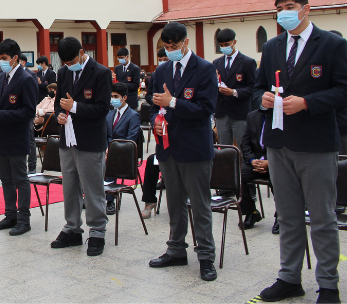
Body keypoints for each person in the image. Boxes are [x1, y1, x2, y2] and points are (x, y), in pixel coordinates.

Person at [255, 0, 347, 303]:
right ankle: (289, 277)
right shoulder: (272, 47)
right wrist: (264, 98)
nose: (283, 12)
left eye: (289, 6)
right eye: (279, 8)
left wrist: (307, 103)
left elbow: (346, 91)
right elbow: (258, 88)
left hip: (316, 144)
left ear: (305, 8)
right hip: (280, 142)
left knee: (323, 218)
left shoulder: (331, 44)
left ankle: (328, 284)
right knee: (288, 216)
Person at [148, 22, 219, 282]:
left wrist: (174, 103)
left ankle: (206, 256)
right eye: (166, 47)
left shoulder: (205, 68)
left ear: (186, 42)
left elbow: (206, 108)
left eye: (174, 46)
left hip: (195, 147)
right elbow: (155, 103)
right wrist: (157, 116)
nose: (170, 51)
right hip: (168, 146)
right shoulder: (163, 69)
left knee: (199, 205)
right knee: (174, 203)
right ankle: (176, 249)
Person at [51, 36, 112, 256]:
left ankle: (97, 231)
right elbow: (59, 102)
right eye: (65, 63)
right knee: (69, 186)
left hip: (89, 139)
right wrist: (60, 114)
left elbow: (103, 108)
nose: (69, 65)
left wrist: (75, 107)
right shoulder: (63, 73)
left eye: (72, 60)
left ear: (82, 51)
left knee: (92, 188)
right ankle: (72, 228)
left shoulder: (101, 73)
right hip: (67, 138)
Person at [0, 38, 37, 237]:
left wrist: (1, 114)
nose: (2, 62)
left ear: (16, 58)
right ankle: (10, 214)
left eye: (5, 58)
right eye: (0, 59)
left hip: (17, 136)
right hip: (1, 135)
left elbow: (28, 111)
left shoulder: (26, 79)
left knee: (20, 179)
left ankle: (24, 219)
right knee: (6, 179)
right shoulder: (0, 78)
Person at [212, 28, 257, 148]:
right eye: (221, 45)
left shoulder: (248, 62)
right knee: (224, 149)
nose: (224, 47)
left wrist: (234, 92)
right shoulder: (216, 63)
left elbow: (252, 88)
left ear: (234, 42)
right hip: (222, 113)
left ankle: (243, 167)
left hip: (239, 113)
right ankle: (227, 168)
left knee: (243, 147)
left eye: (227, 44)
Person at [105, 82, 141, 215]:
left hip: (124, 152)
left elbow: (130, 139)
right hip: (109, 150)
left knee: (110, 162)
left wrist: (112, 150)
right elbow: (105, 135)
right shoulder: (109, 114)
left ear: (124, 97)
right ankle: (94, 196)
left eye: (116, 96)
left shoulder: (133, 115)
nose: (113, 99)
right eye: (111, 96)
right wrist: (105, 149)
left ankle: (110, 201)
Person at [239, 109, 272, 230]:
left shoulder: (282, 115)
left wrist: (269, 162)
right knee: (238, 175)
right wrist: (252, 160)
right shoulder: (252, 116)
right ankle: (251, 212)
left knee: (280, 176)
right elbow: (245, 143)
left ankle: (281, 215)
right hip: (255, 161)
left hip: (276, 161)